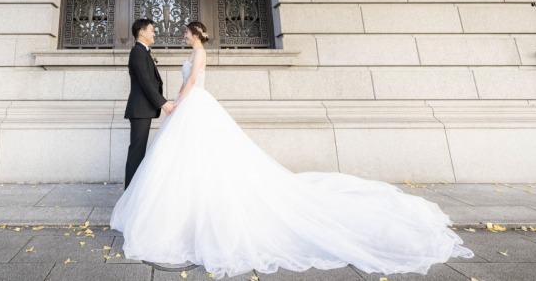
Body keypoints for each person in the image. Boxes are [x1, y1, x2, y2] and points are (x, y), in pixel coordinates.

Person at [111, 21, 473, 279]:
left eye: (187, 33)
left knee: (204, 157)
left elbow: (192, 82)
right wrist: (171, 102)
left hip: (193, 105)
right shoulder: (170, 53)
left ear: (195, 35)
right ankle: (185, 206)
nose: (180, 36)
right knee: (183, 160)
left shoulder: (200, 55)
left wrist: (175, 102)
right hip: (185, 106)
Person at [123, 18, 175, 190]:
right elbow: (145, 82)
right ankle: (129, 194)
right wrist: (163, 103)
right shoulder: (137, 52)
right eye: (152, 30)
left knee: (139, 152)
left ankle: (134, 192)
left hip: (143, 109)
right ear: (142, 32)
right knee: (136, 153)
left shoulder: (143, 52)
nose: (154, 33)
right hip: (139, 110)